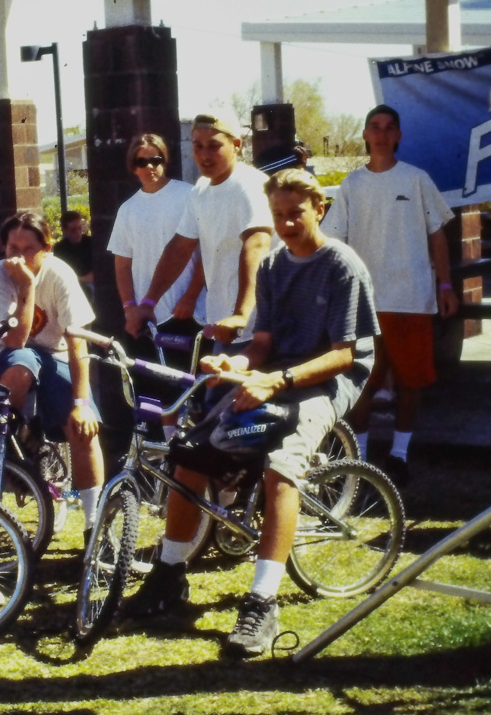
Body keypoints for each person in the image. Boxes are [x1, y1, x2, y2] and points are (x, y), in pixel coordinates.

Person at [197, 168, 378, 657]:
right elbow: (261, 345)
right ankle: (169, 572)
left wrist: (277, 379)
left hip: (330, 380)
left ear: (319, 208)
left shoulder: (342, 265)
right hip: (275, 371)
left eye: (295, 213)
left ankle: (262, 602)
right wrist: (232, 364)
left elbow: (344, 354)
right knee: (192, 450)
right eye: (278, 215)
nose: (286, 223)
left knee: (282, 469)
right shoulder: (273, 266)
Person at [129, 113, 273, 614]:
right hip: (220, 328)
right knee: (205, 427)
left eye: (214, 145)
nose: (205, 154)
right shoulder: (201, 193)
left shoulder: (249, 187)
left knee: (227, 432)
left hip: (256, 329)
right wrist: (148, 299)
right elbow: (180, 247)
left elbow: (254, 246)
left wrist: (242, 310)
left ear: (237, 143)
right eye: (197, 146)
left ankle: (241, 503)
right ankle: (229, 511)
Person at [322, 104, 458, 485]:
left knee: (410, 381)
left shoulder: (416, 179)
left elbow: (437, 234)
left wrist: (445, 285)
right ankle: (359, 462)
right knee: (361, 382)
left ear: (398, 136)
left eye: (388, 128)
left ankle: (399, 456)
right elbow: (333, 240)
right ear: (365, 134)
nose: (381, 134)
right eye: (374, 127)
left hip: (412, 298)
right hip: (363, 302)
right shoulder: (352, 184)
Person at [0, 212, 105, 541]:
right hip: (15, 352)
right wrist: (25, 285)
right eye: (11, 247)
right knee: (19, 371)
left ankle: (94, 525)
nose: (18, 256)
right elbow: (17, 341)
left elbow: (77, 342)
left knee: (83, 429)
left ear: (47, 249)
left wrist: (81, 403)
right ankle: (20, 441)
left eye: (29, 248)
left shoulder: (61, 274)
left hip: (57, 353)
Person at [108, 132, 205, 372]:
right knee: (156, 398)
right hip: (148, 321)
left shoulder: (188, 195)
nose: (149, 166)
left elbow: (206, 253)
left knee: (192, 393)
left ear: (165, 160)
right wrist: (130, 308)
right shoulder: (128, 210)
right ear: (134, 167)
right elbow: (122, 265)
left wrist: (191, 297)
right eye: (142, 161)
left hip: (189, 314)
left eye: (156, 159)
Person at [52, 211, 94, 296]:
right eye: (73, 230)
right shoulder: (60, 249)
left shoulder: (91, 243)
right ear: (64, 230)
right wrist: (82, 279)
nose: (78, 232)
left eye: (80, 228)